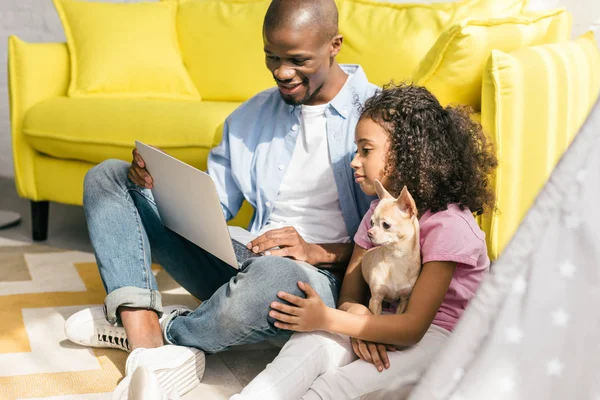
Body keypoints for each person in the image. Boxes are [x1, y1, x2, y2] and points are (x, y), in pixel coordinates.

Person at [63, 0, 378, 397]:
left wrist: (317, 251)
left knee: (272, 276)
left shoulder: (377, 117)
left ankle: (160, 329)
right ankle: (143, 332)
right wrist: (152, 188)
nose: (282, 72)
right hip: (242, 254)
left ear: (335, 45)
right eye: (272, 57)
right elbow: (212, 208)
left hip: (316, 279)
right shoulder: (253, 114)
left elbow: (395, 237)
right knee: (108, 175)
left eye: (298, 60)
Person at [230, 83, 498, 400]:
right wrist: (357, 318)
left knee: (335, 386)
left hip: (441, 337)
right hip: (381, 319)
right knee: (307, 346)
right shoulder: (376, 213)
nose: (354, 161)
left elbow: (414, 327)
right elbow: (351, 291)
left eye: (365, 150)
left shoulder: (449, 225)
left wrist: (330, 318)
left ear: (408, 154)